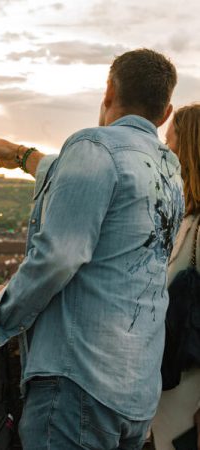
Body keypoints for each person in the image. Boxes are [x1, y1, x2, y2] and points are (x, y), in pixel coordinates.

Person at [0, 48, 184, 450]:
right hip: (136, 390)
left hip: (79, 383)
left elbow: (58, 256)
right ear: (165, 112)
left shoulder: (94, 146)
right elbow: (95, 181)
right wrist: (22, 156)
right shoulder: (166, 166)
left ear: (108, 91)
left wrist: (3, 311)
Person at [151, 104, 200, 450]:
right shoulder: (186, 219)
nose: (165, 154)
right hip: (172, 401)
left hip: (192, 408)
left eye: (170, 145)